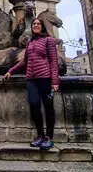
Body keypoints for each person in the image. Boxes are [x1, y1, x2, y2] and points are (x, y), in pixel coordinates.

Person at [4, 18, 59, 151]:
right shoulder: (30, 42)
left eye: (38, 24)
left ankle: (49, 138)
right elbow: (24, 62)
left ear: (42, 26)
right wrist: (10, 71)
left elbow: (53, 60)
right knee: (34, 107)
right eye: (34, 24)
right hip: (31, 79)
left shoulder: (48, 40)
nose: (35, 25)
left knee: (48, 108)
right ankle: (40, 135)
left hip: (45, 78)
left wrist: (55, 81)